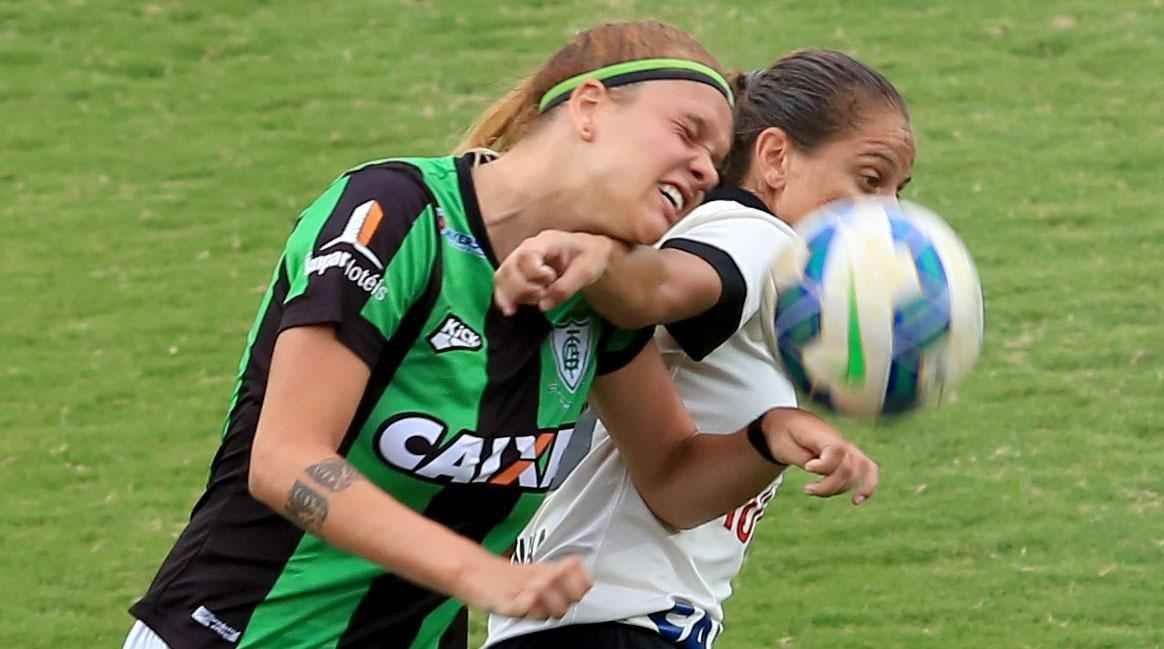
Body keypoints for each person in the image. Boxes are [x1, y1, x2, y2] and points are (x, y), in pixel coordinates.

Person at [122, 22, 879, 649]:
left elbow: (675, 482)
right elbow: (286, 461)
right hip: (226, 633)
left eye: (716, 162)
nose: (704, 172)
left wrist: (768, 434)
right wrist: (480, 575)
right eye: (686, 133)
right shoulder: (396, 211)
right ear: (589, 108)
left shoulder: (593, 295)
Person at [486, 49, 914, 649]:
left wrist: (771, 436)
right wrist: (599, 260)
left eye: (900, 190)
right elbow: (665, 284)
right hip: (609, 628)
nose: (891, 213)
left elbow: (675, 498)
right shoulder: (757, 239)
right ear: (775, 157)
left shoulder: (774, 281)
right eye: (870, 181)